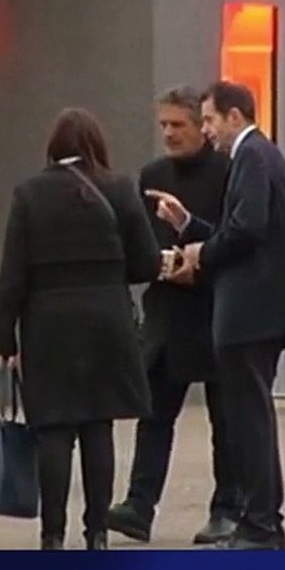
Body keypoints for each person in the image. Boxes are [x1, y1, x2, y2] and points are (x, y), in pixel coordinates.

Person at [0, 108, 163, 550]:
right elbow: (145, 263)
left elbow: (13, 273)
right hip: (106, 319)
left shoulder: (29, 194)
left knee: (53, 429)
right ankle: (97, 532)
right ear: (96, 146)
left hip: (47, 323)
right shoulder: (121, 188)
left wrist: (3, 337)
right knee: (97, 427)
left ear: (53, 147)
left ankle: (52, 535)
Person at [145, 80, 285, 550]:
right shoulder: (256, 156)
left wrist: (202, 254)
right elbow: (241, 227)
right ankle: (259, 520)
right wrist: (189, 228)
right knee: (247, 418)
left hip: (250, 311)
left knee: (248, 421)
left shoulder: (253, 156)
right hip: (256, 309)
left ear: (235, 117)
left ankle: (260, 524)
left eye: (209, 119)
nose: (207, 130)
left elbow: (248, 229)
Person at [106, 85, 241, 546]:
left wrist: (199, 264)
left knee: (227, 421)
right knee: (155, 414)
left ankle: (227, 510)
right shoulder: (152, 175)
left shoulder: (229, 173)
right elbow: (139, 245)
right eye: (163, 124)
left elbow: (237, 239)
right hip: (166, 312)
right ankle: (139, 505)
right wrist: (164, 264)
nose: (169, 133)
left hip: (217, 311)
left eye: (178, 125)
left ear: (202, 127)